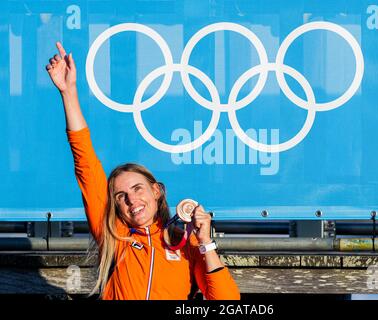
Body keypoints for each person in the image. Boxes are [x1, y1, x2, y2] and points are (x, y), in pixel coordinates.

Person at [46, 42, 240, 300]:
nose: (131, 200)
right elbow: (86, 163)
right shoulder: (115, 236)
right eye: (121, 196)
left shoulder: (185, 243)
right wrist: (68, 92)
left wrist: (205, 243)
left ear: (157, 191)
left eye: (137, 189)